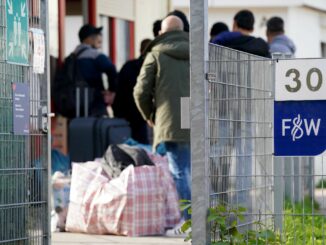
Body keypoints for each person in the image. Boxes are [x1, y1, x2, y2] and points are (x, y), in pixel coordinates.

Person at [133, 16, 191, 222]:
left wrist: (149, 115)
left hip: (170, 114)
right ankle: (203, 219)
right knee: (193, 168)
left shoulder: (156, 54)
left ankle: (189, 221)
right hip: (192, 111)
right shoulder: (198, 51)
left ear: (161, 33)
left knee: (178, 170)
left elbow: (140, 91)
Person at [112, 39, 152, 144]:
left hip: (125, 116)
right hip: (142, 118)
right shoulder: (152, 68)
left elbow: (118, 92)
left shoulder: (128, 66)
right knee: (144, 150)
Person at [75, 24, 117, 116]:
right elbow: (111, 69)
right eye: (95, 37)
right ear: (88, 39)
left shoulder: (74, 55)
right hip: (95, 103)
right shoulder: (93, 54)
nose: (99, 39)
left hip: (77, 102)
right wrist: (111, 91)